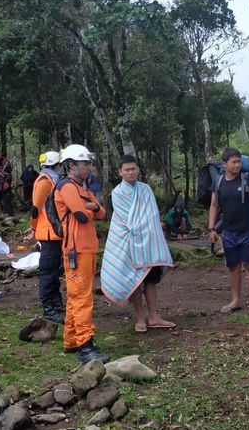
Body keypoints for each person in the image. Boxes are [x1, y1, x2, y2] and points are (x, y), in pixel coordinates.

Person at [101, 154, 175, 333]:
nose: (130, 172)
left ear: (138, 169)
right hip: (130, 244)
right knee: (133, 280)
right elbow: (130, 220)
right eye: (126, 169)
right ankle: (140, 317)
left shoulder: (146, 189)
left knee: (151, 280)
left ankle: (153, 315)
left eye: (133, 168)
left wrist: (153, 230)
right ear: (120, 172)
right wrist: (145, 227)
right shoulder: (118, 193)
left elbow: (152, 215)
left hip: (150, 243)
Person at [53, 144, 110, 363]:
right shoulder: (67, 187)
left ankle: (71, 341)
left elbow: (101, 213)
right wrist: (91, 207)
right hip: (76, 249)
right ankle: (86, 346)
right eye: (84, 163)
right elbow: (82, 215)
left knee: (76, 296)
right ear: (71, 165)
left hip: (87, 248)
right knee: (81, 297)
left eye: (88, 163)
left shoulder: (82, 188)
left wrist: (92, 207)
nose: (88, 167)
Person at [207, 147, 249, 315]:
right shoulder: (218, 182)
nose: (237, 165)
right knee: (233, 266)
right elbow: (214, 205)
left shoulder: (248, 179)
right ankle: (235, 301)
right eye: (234, 162)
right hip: (229, 232)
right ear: (225, 164)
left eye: (239, 161)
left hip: (248, 230)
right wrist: (211, 228)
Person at [30, 151, 65, 324]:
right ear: (56, 165)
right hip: (48, 232)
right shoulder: (45, 181)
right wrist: (33, 228)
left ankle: (57, 304)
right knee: (48, 272)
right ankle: (49, 308)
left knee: (54, 272)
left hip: (55, 232)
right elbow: (35, 209)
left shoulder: (52, 180)